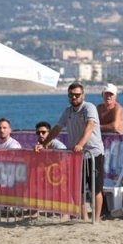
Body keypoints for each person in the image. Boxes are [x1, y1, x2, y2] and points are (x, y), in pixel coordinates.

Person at [36, 83, 105, 222]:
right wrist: (43, 144)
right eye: (71, 95)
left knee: (95, 188)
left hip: (93, 153)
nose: (74, 97)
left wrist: (80, 143)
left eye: (77, 94)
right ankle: (84, 217)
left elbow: (90, 126)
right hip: (76, 156)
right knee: (77, 189)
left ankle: (96, 219)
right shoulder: (68, 112)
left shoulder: (89, 108)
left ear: (83, 95)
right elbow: (57, 128)